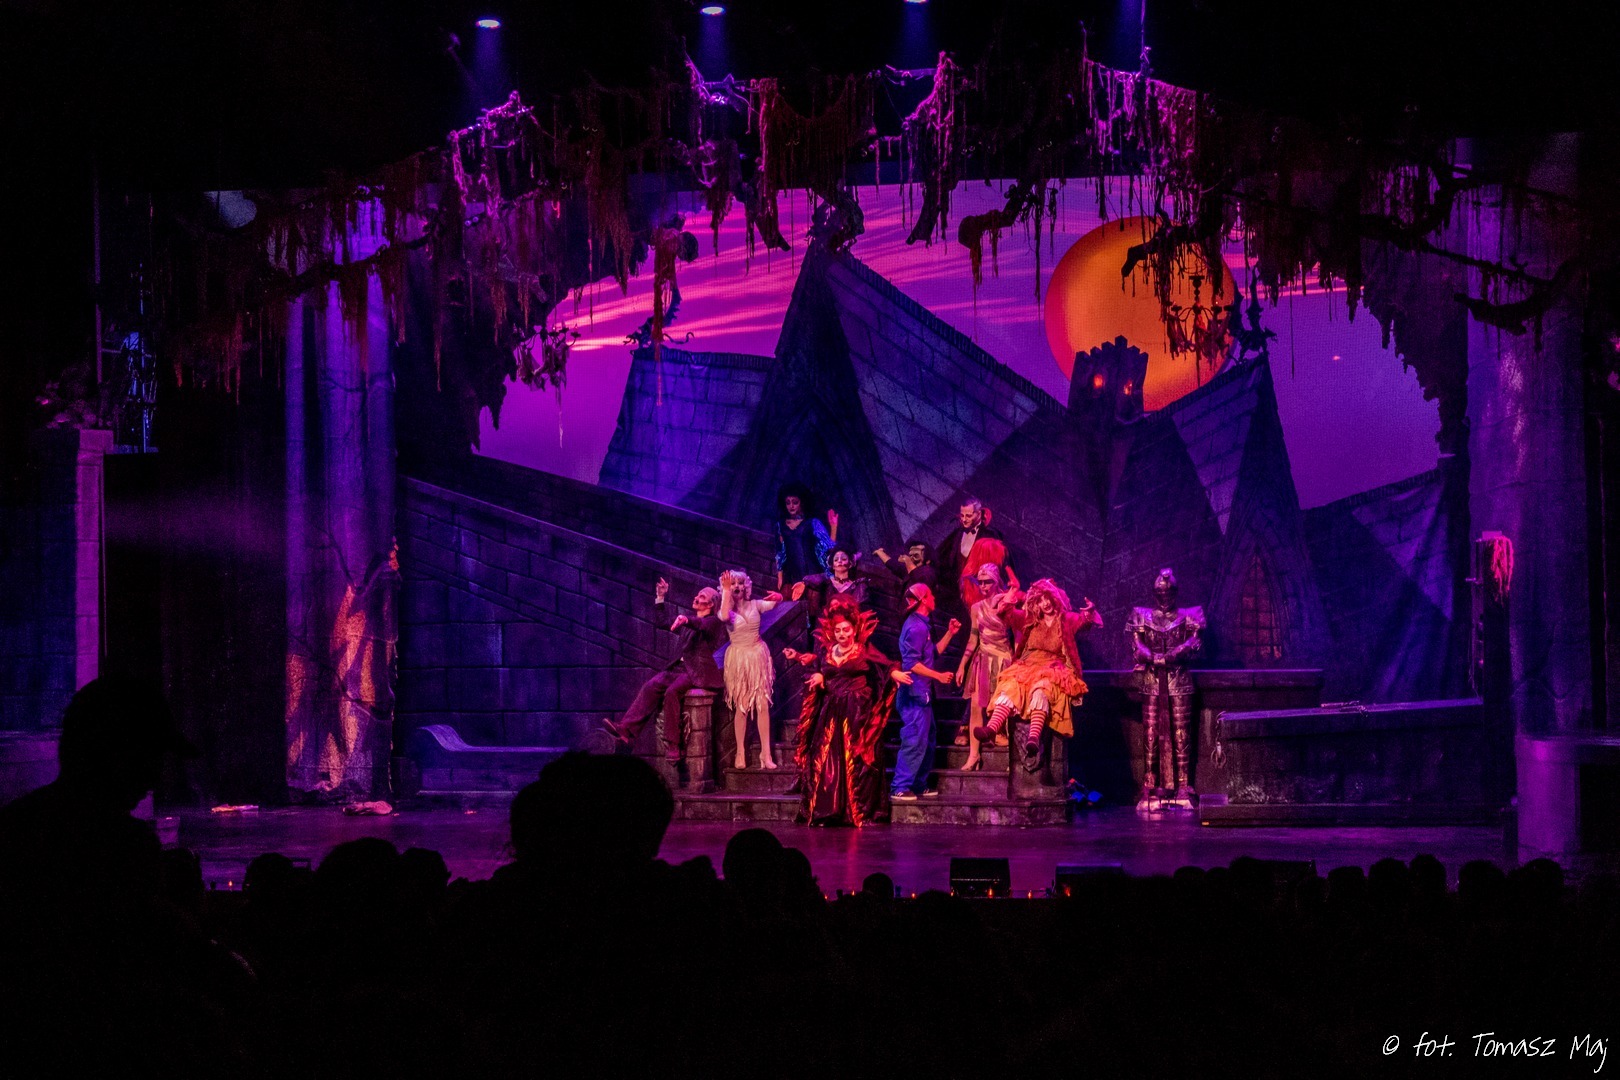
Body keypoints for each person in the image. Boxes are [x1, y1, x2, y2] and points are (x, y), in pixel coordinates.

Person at [782, 597, 912, 825]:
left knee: (856, 758)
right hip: (831, 710)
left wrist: (895, 674)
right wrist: (819, 675)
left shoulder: (862, 649)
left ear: (854, 630)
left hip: (856, 711)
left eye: (846, 629)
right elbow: (820, 667)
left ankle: (856, 811)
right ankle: (827, 810)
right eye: (838, 630)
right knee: (824, 758)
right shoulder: (828, 651)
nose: (842, 634)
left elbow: (884, 664)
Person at [971, 578, 1102, 770]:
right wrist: (1010, 596)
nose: (1045, 603)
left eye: (1047, 598)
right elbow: (1006, 614)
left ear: (1054, 598)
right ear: (1035, 603)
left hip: (1053, 666)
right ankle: (992, 728)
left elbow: (1084, 622)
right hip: (1028, 665)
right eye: (1040, 600)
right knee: (1009, 686)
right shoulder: (1029, 619)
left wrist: (1089, 612)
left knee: (1041, 690)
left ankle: (1033, 738)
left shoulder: (1065, 619)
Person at [601, 578, 727, 761]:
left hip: (695, 671)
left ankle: (673, 745)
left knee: (672, 692)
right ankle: (626, 731)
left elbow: (701, 625)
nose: (696, 598)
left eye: (702, 596)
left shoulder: (713, 622)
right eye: (698, 595)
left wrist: (686, 620)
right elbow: (662, 622)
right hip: (679, 668)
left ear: (711, 604)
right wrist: (660, 597)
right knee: (651, 685)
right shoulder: (687, 623)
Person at [1127, 567, 1205, 808]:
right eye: (1160, 593)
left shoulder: (1190, 615)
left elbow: (1194, 641)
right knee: (1150, 733)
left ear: (1175, 592)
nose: (1164, 597)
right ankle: (1149, 783)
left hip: (1179, 678)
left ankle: (1183, 784)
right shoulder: (1141, 615)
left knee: (1182, 733)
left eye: (1168, 592)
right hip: (1152, 679)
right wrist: (1152, 657)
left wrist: (1174, 654)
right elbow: (1137, 645)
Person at [891, 584, 960, 802]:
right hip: (914, 694)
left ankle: (918, 784)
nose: (934, 597)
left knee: (927, 740)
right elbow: (911, 664)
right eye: (930, 595)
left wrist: (950, 633)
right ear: (923, 600)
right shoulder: (915, 628)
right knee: (914, 740)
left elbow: (932, 654)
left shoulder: (922, 625)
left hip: (923, 694)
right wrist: (938, 676)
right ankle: (900, 786)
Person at [718, 569, 784, 770]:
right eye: (733, 583)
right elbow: (723, 616)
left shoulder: (755, 604)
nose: (737, 586)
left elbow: (774, 603)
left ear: (746, 586)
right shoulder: (726, 609)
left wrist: (779, 597)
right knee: (742, 706)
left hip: (757, 655)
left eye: (740, 583)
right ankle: (740, 752)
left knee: (763, 705)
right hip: (739, 658)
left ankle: (766, 753)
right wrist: (726, 591)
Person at [955, 561, 1016, 770]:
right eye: (980, 582)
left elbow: (1017, 634)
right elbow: (973, 639)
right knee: (976, 707)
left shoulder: (1006, 602)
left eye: (987, 582)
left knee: (1005, 708)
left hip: (1004, 659)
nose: (983, 586)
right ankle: (974, 755)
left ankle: (1012, 759)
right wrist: (962, 665)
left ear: (996, 581)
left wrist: (1018, 662)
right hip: (982, 660)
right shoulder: (976, 608)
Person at [933, 498, 1005, 600]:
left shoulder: (990, 535)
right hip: (955, 590)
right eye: (962, 515)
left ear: (979, 514)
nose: (964, 519)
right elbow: (942, 555)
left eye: (968, 516)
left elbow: (997, 565)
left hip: (977, 590)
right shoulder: (957, 533)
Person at [775, 485, 838, 591]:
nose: (791, 506)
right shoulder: (781, 526)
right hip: (791, 576)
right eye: (788, 503)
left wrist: (834, 527)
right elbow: (780, 553)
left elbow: (828, 547)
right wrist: (780, 577)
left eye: (795, 502)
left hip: (812, 575)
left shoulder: (813, 523)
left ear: (802, 503)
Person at [790, 546, 874, 621]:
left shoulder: (857, 586)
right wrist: (804, 583)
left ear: (850, 564)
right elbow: (815, 579)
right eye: (836, 559)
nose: (840, 561)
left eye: (844, 559)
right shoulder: (826, 583)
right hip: (827, 625)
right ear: (832, 565)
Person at [873, 537, 938, 593]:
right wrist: (880, 552)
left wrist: (907, 560)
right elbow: (893, 564)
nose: (913, 555)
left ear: (928, 560)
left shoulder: (929, 572)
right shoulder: (908, 571)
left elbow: (920, 580)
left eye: (917, 552)